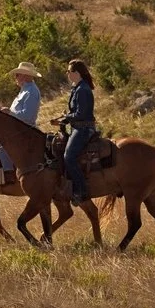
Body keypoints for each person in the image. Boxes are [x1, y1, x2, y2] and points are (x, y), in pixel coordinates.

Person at [50, 58, 96, 205]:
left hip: (83, 129)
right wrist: (65, 118)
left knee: (69, 156)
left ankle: (81, 190)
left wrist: (65, 117)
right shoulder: (77, 88)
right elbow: (75, 112)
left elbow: (80, 114)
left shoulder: (83, 90)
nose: (67, 74)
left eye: (69, 71)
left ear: (77, 73)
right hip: (77, 127)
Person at [0, 61, 42, 179]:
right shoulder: (25, 90)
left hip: (25, 130)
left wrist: (9, 113)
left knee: (2, 141)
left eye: (17, 75)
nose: (15, 77)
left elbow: (28, 116)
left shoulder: (31, 92)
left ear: (25, 76)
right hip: (19, 128)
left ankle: (8, 172)